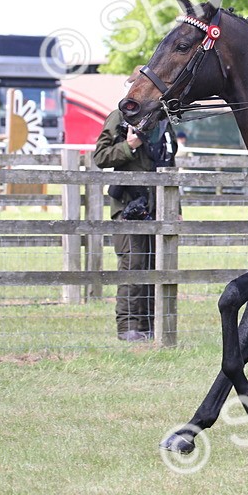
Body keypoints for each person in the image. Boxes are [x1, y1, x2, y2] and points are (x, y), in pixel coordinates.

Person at [93, 75, 177, 342]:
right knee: (133, 265)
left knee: (155, 266)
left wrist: (177, 206)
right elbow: (100, 157)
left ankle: (149, 326)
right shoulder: (118, 117)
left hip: (158, 205)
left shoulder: (163, 122)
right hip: (128, 204)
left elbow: (170, 164)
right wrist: (129, 147)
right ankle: (128, 327)